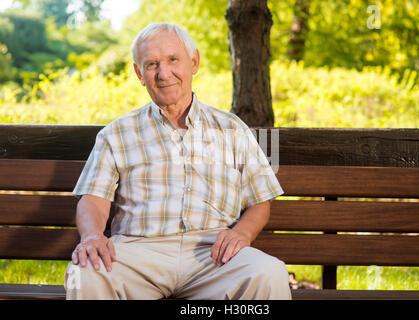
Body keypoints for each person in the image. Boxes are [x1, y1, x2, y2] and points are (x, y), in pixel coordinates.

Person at [64, 22, 291, 300]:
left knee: (268, 273)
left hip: (213, 255)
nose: (163, 73)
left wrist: (242, 234)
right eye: (151, 64)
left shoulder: (232, 129)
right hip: (138, 254)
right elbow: (94, 199)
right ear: (139, 73)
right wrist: (91, 236)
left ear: (193, 62)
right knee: (87, 271)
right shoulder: (116, 133)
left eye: (173, 60)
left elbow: (260, 202)